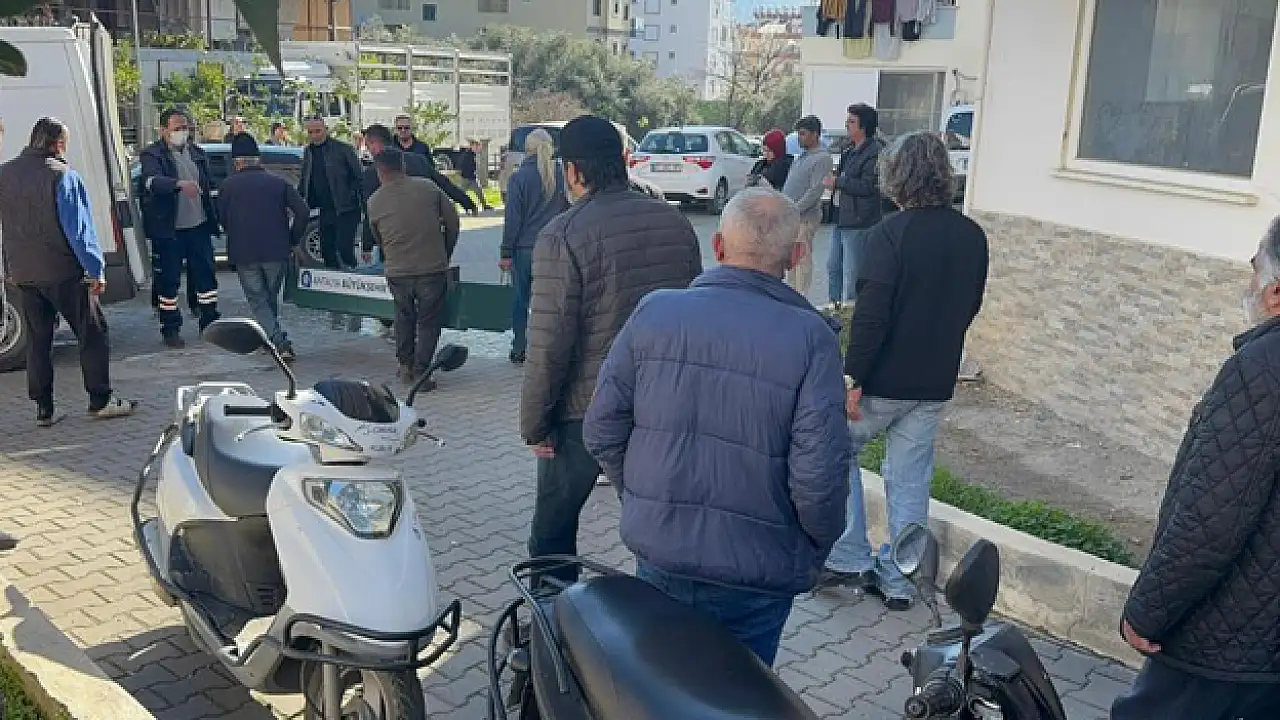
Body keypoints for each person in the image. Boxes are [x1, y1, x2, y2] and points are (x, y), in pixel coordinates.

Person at [583, 187, 851, 665]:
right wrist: (814, 548)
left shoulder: (655, 312)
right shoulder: (811, 337)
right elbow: (819, 477)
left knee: (656, 686)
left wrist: (649, 500)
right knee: (739, 691)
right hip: (757, 572)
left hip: (662, 553)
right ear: (795, 256)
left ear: (719, 246)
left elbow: (602, 428)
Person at [520, 115, 703, 585]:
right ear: (623, 160)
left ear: (572, 170)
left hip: (585, 409)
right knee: (662, 527)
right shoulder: (675, 222)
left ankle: (550, 619)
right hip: (664, 403)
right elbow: (694, 313)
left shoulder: (563, 233)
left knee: (553, 530)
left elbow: (549, 342)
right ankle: (666, 614)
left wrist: (535, 423)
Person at [1110, 221, 1280, 719]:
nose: (1248, 283)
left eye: (1254, 269)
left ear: (1276, 292)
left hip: (1226, 646)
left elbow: (1212, 519)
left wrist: (1148, 610)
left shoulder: (1262, 369)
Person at [821, 131, 988, 609]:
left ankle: (849, 556)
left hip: (883, 380)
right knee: (911, 478)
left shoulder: (889, 234)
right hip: (934, 378)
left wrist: (853, 378)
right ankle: (899, 580)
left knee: (835, 448)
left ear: (895, 176)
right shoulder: (972, 236)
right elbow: (970, 305)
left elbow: (871, 316)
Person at [0, 117, 137, 425]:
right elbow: (79, 231)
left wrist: (8, 266)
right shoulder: (62, 175)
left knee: (38, 341)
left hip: (24, 273)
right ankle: (100, 399)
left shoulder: (5, 174)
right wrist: (96, 269)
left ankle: (44, 408)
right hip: (63, 271)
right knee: (92, 334)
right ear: (59, 144)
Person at [366, 148, 460, 387]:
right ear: (404, 166)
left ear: (379, 171)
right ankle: (421, 370)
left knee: (403, 316)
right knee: (429, 321)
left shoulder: (374, 201)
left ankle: (405, 365)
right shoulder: (428, 188)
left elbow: (378, 237)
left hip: (397, 270)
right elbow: (453, 222)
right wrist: (444, 252)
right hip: (431, 267)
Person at [216, 134, 309, 362]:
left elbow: (222, 218)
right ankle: (271, 339)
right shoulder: (279, 183)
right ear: (259, 159)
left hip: (244, 251)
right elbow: (303, 212)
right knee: (268, 298)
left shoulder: (228, 186)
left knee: (258, 300)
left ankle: (279, 342)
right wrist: (292, 239)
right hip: (277, 250)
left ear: (237, 162)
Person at [139, 107, 221, 348]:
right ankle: (171, 328)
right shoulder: (152, 155)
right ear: (163, 130)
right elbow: (151, 181)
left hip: (198, 226)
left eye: (185, 128)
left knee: (206, 278)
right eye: (177, 128)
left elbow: (210, 185)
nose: (182, 132)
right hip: (169, 229)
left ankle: (210, 322)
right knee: (169, 282)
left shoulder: (197, 153)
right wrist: (178, 184)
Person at [500, 128, 567, 365]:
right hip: (554, 248)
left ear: (527, 149)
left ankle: (520, 347)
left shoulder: (518, 178)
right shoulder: (561, 176)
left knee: (521, 300)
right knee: (552, 301)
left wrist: (506, 252)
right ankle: (550, 346)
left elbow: (513, 220)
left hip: (524, 249)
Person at [824, 103, 884, 305]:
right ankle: (834, 308)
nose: (847, 125)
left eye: (851, 121)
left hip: (859, 221)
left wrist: (839, 182)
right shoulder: (849, 151)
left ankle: (852, 313)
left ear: (863, 126)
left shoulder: (874, 153)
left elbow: (869, 186)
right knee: (833, 267)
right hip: (841, 217)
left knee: (852, 274)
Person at [297, 117, 364, 271]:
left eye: (318, 131)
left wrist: (355, 198)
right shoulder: (308, 152)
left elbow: (359, 177)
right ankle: (333, 277)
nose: (314, 135)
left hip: (346, 208)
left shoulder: (343, 149)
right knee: (327, 249)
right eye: (310, 132)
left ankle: (351, 276)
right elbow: (305, 179)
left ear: (326, 130)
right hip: (325, 208)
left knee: (344, 248)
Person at [781, 116, 832, 295]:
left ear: (815, 134)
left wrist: (795, 209)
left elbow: (815, 190)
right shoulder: (803, 156)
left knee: (802, 258)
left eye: (803, 134)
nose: (799, 138)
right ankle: (791, 293)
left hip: (805, 218)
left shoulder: (822, 158)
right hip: (792, 217)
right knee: (791, 259)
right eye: (798, 134)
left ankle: (801, 295)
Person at [456, 139, 493, 211]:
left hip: (471, 178)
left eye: (477, 147)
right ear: (472, 146)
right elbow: (461, 165)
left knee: (479, 191)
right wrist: (464, 174)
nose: (477, 148)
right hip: (465, 178)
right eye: (476, 146)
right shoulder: (467, 154)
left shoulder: (472, 154)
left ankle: (485, 205)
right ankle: (453, 207)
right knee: (460, 194)